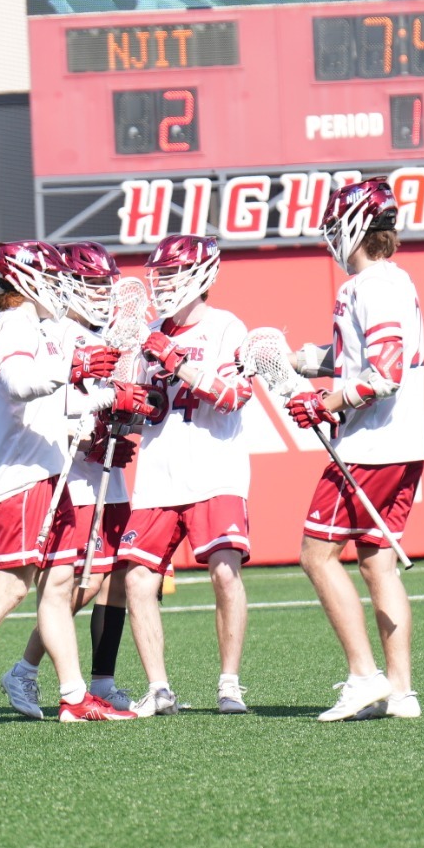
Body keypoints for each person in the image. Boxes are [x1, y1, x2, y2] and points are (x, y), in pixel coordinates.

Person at [0, 242, 134, 726]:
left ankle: (74, 698)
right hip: (23, 476)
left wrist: (106, 398)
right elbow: (20, 383)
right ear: (28, 278)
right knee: (8, 590)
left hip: (48, 472)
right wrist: (73, 370)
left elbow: (53, 404)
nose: (60, 286)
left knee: (58, 588)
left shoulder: (34, 327)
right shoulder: (12, 325)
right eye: (52, 276)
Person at [287, 178, 424, 721]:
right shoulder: (396, 282)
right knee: (377, 563)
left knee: (315, 555)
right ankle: (400, 690)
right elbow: (368, 358)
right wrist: (305, 361)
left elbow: (384, 375)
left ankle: (364, 676)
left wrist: (330, 403)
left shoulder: (367, 287)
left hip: (373, 446)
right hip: (405, 442)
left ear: (353, 226)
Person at [115, 234, 253, 717]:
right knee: (137, 579)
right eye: (161, 275)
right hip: (158, 474)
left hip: (214, 470)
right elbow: (139, 410)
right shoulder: (149, 331)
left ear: (201, 276)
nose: (164, 284)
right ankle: (158, 688)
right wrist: (126, 404)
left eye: (172, 273)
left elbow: (236, 395)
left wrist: (177, 364)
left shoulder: (226, 328)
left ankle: (230, 684)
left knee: (223, 571)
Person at [5, 242, 143, 717]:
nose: (101, 294)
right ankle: (26, 670)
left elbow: (122, 399)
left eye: (106, 285)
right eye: (92, 285)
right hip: (74, 476)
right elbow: (51, 410)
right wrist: (86, 435)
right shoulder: (57, 334)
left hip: (107, 469)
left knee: (115, 574)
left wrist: (127, 423)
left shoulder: (108, 334)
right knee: (73, 583)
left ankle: (101, 679)